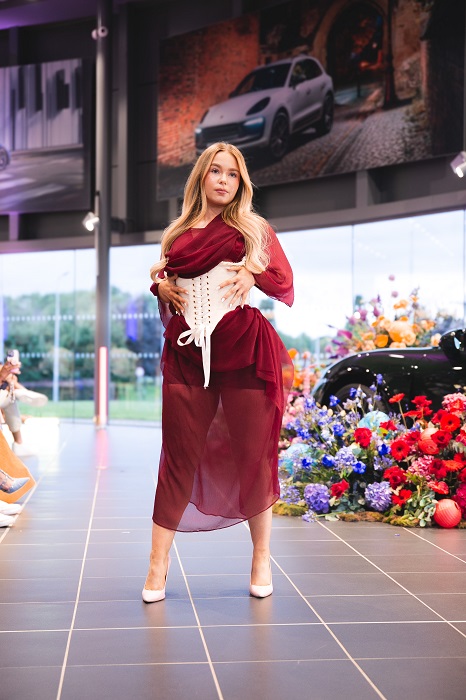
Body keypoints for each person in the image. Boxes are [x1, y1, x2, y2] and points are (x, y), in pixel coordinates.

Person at [143, 142, 294, 602]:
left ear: (241, 182)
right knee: (177, 457)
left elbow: (283, 280)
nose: (224, 179)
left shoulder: (254, 229)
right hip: (189, 356)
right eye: (216, 171)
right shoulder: (177, 234)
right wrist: (160, 287)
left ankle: (261, 556)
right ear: (202, 179)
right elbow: (168, 284)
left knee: (253, 454)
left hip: (244, 350)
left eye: (232, 173)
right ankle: (157, 562)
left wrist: (254, 275)